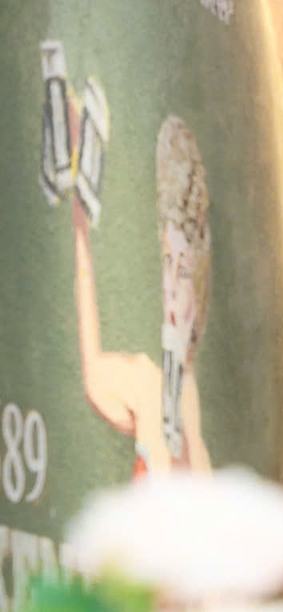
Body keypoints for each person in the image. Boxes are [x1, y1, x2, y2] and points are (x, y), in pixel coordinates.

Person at [71, 112, 213, 477]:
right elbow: (94, 377)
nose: (173, 290)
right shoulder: (148, 385)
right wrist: (80, 222)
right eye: (168, 264)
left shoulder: (196, 436)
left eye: (184, 272)